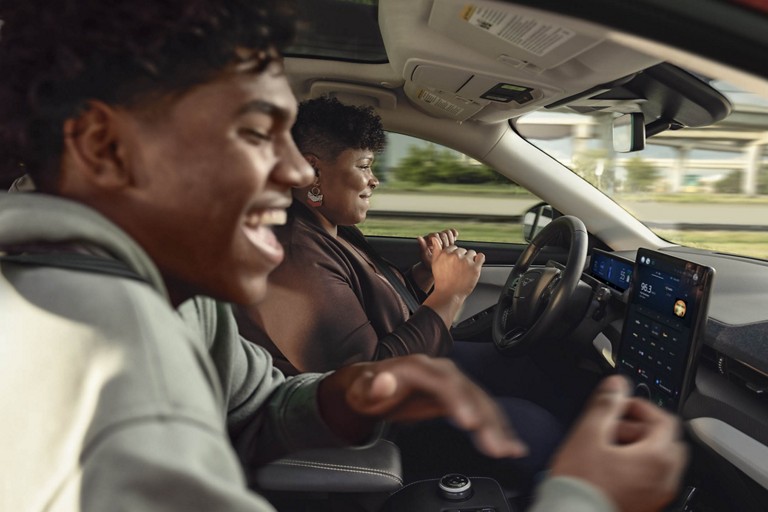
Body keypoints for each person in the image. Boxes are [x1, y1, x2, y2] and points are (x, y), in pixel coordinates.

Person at [0, 2, 686, 512]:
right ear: (103, 147)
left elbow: (257, 408)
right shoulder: (95, 362)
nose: (300, 173)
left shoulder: (172, 290)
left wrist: (346, 395)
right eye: (254, 132)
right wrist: (585, 499)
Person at [235, 96, 480, 375]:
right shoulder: (293, 255)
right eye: (363, 166)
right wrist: (450, 294)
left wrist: (426, 274)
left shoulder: (333, 231)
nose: (374, 179)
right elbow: (362, 377)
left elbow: (376, 314)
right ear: (312, 171)